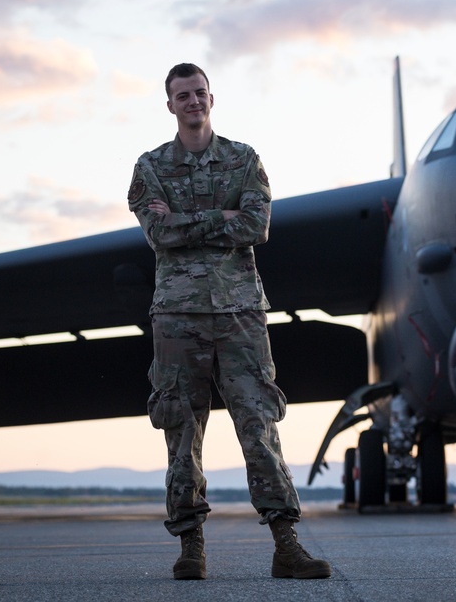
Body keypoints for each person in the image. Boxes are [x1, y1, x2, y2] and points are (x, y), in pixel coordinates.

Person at [127, 63, 331, 581]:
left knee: (258, 426)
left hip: (240, 315)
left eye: (199, 93)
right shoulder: (149, 167)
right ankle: (190, 548)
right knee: (180, 429)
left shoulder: (244, 159)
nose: (193, 101)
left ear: (211, 98)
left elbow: (257, 226)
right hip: (178, 317)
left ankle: (287, 545)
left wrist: (185, 221)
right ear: (169, 105)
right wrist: (218, 221)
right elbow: (159, 235)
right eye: (182, 95)